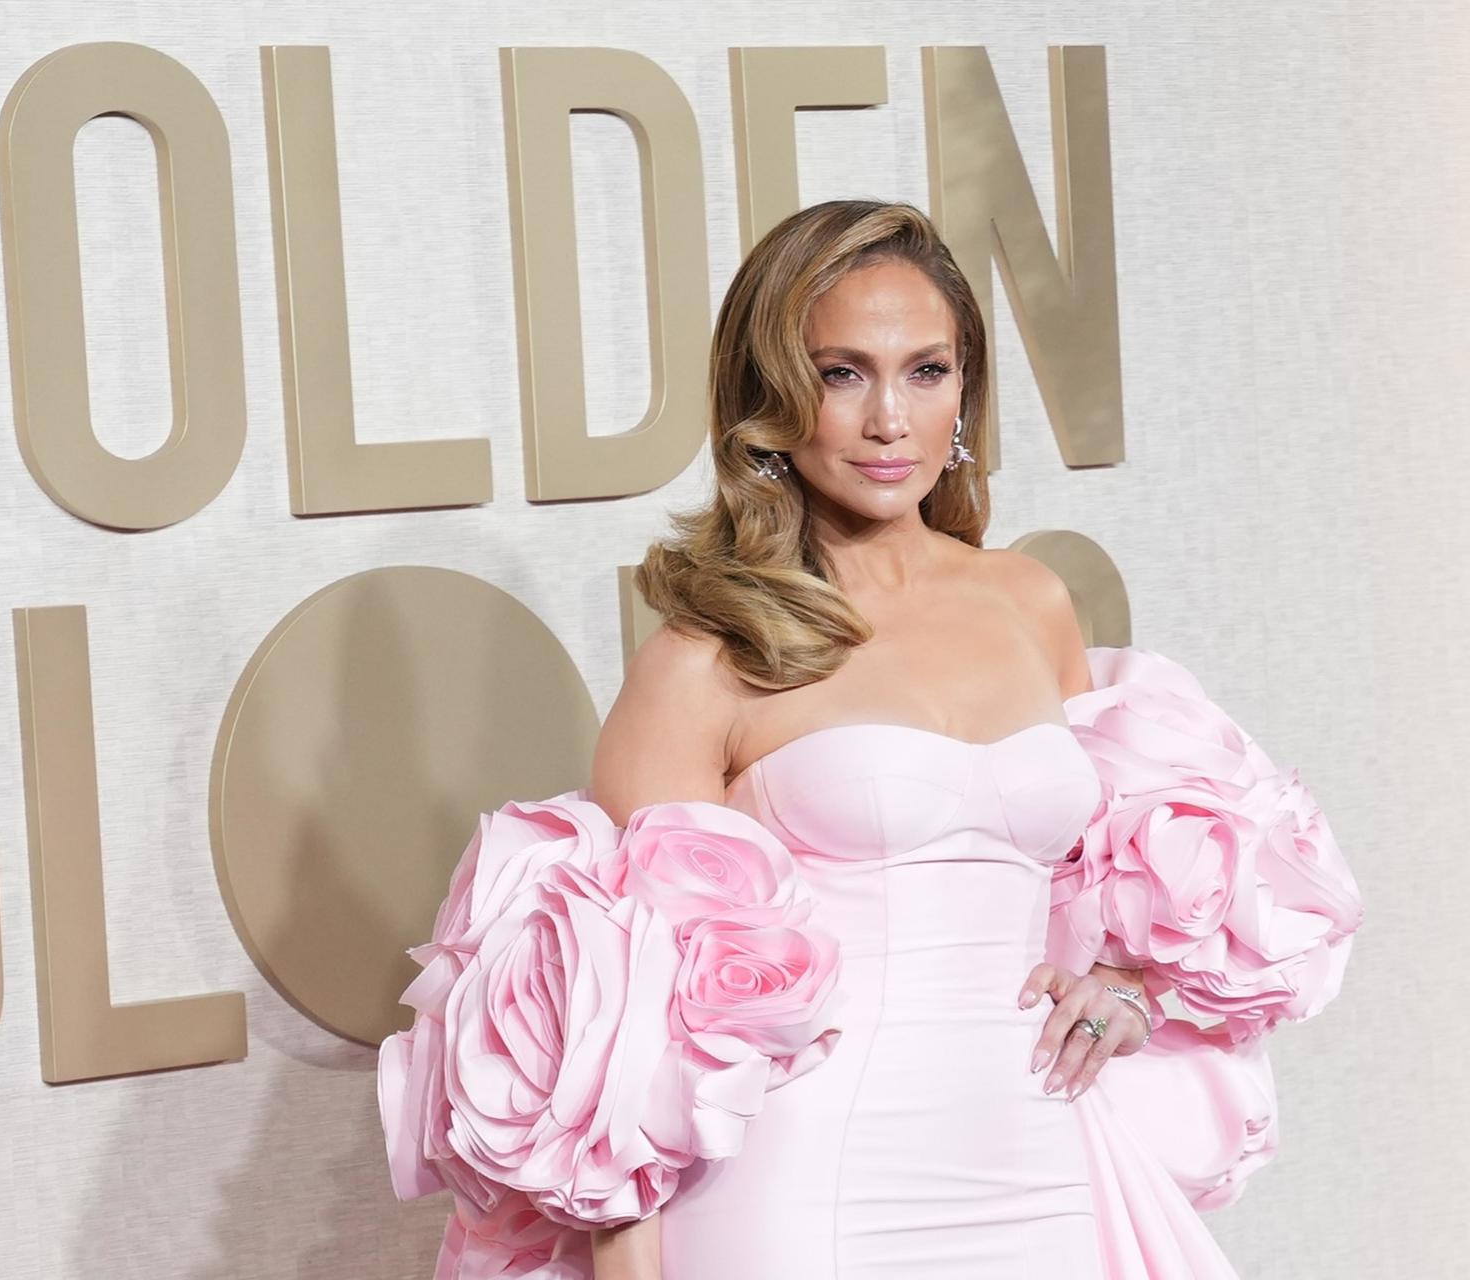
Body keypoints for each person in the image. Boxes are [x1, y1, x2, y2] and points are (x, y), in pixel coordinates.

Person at [377, 200, 1362, 1279]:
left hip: (1042, 1155)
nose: (890, 418)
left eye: (926, 370)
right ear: (771, 401)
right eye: (842, 373)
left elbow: (1106, 879)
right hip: (812, 1186)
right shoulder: (706, 658)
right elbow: (628, 1035)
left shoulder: (1031, 600)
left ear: (964, 391)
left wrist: (1129, 982)